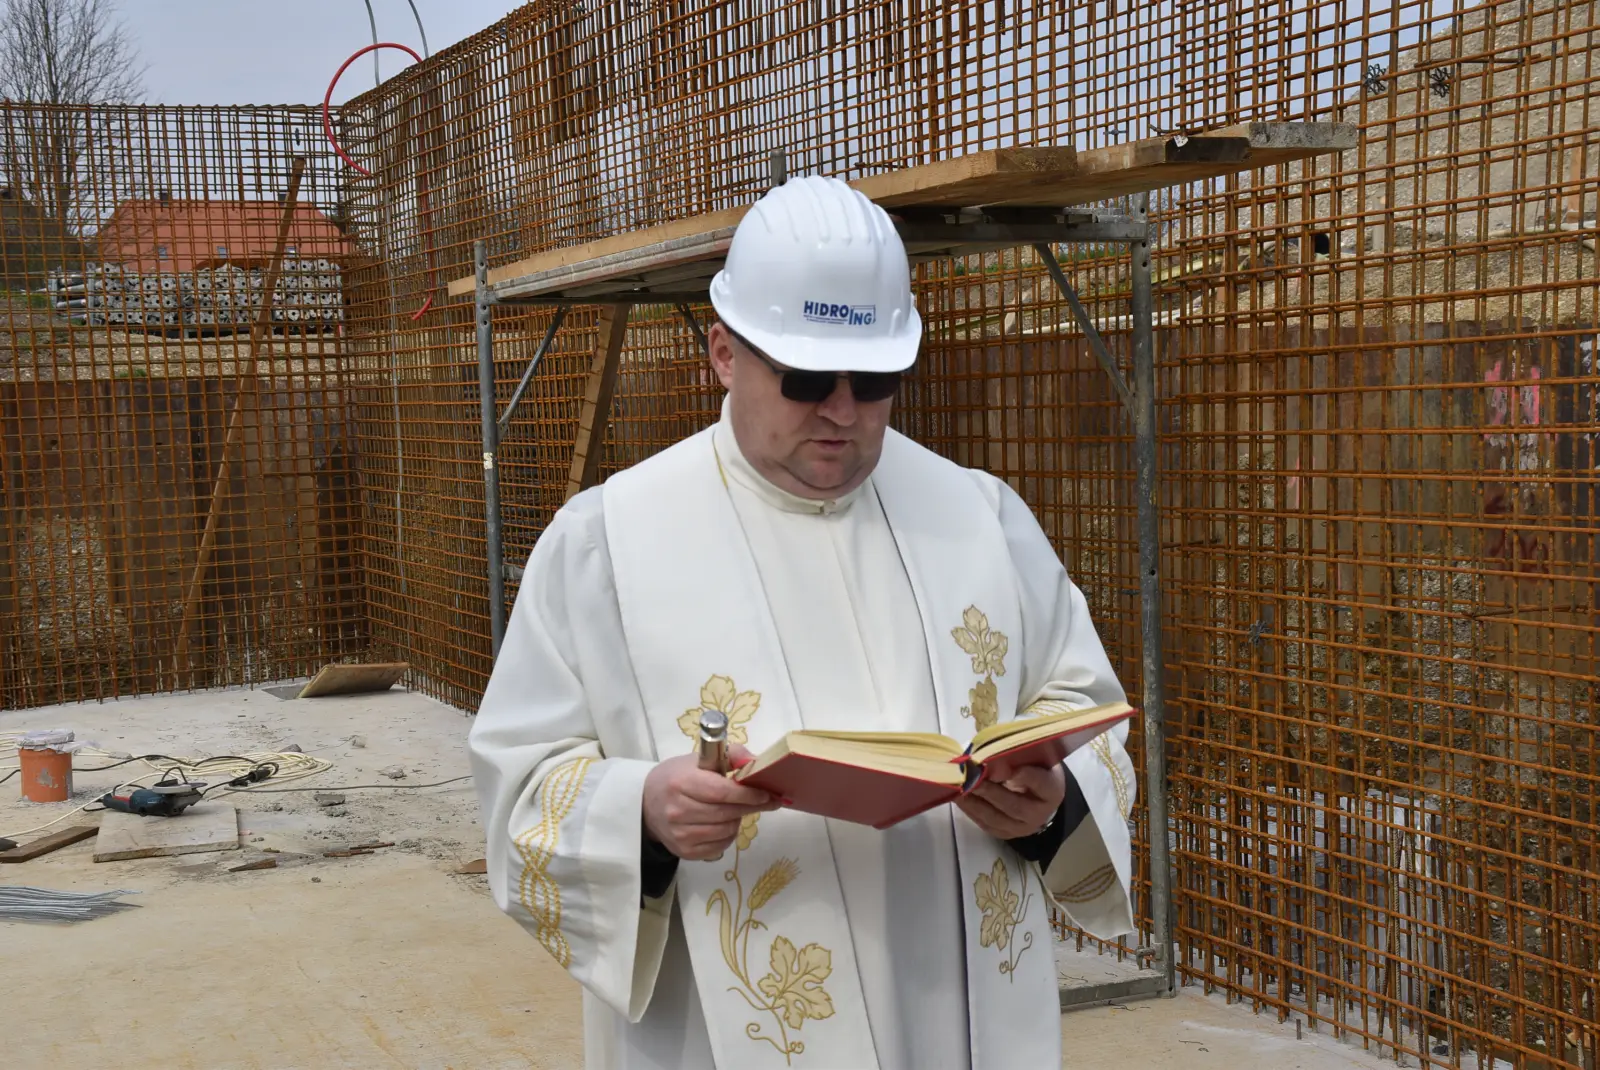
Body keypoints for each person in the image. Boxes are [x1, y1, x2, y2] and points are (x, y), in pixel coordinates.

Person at [469, 175, 1137, 1070]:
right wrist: (642, 812)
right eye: (808, 376)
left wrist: (1051, 805)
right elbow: (521, 786)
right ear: (722, 354)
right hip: (720, 1032)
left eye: (876, 380)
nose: (842, 410)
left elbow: (1081, 707)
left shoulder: (983, 516)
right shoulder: (605, 545)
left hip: (963, 1016)